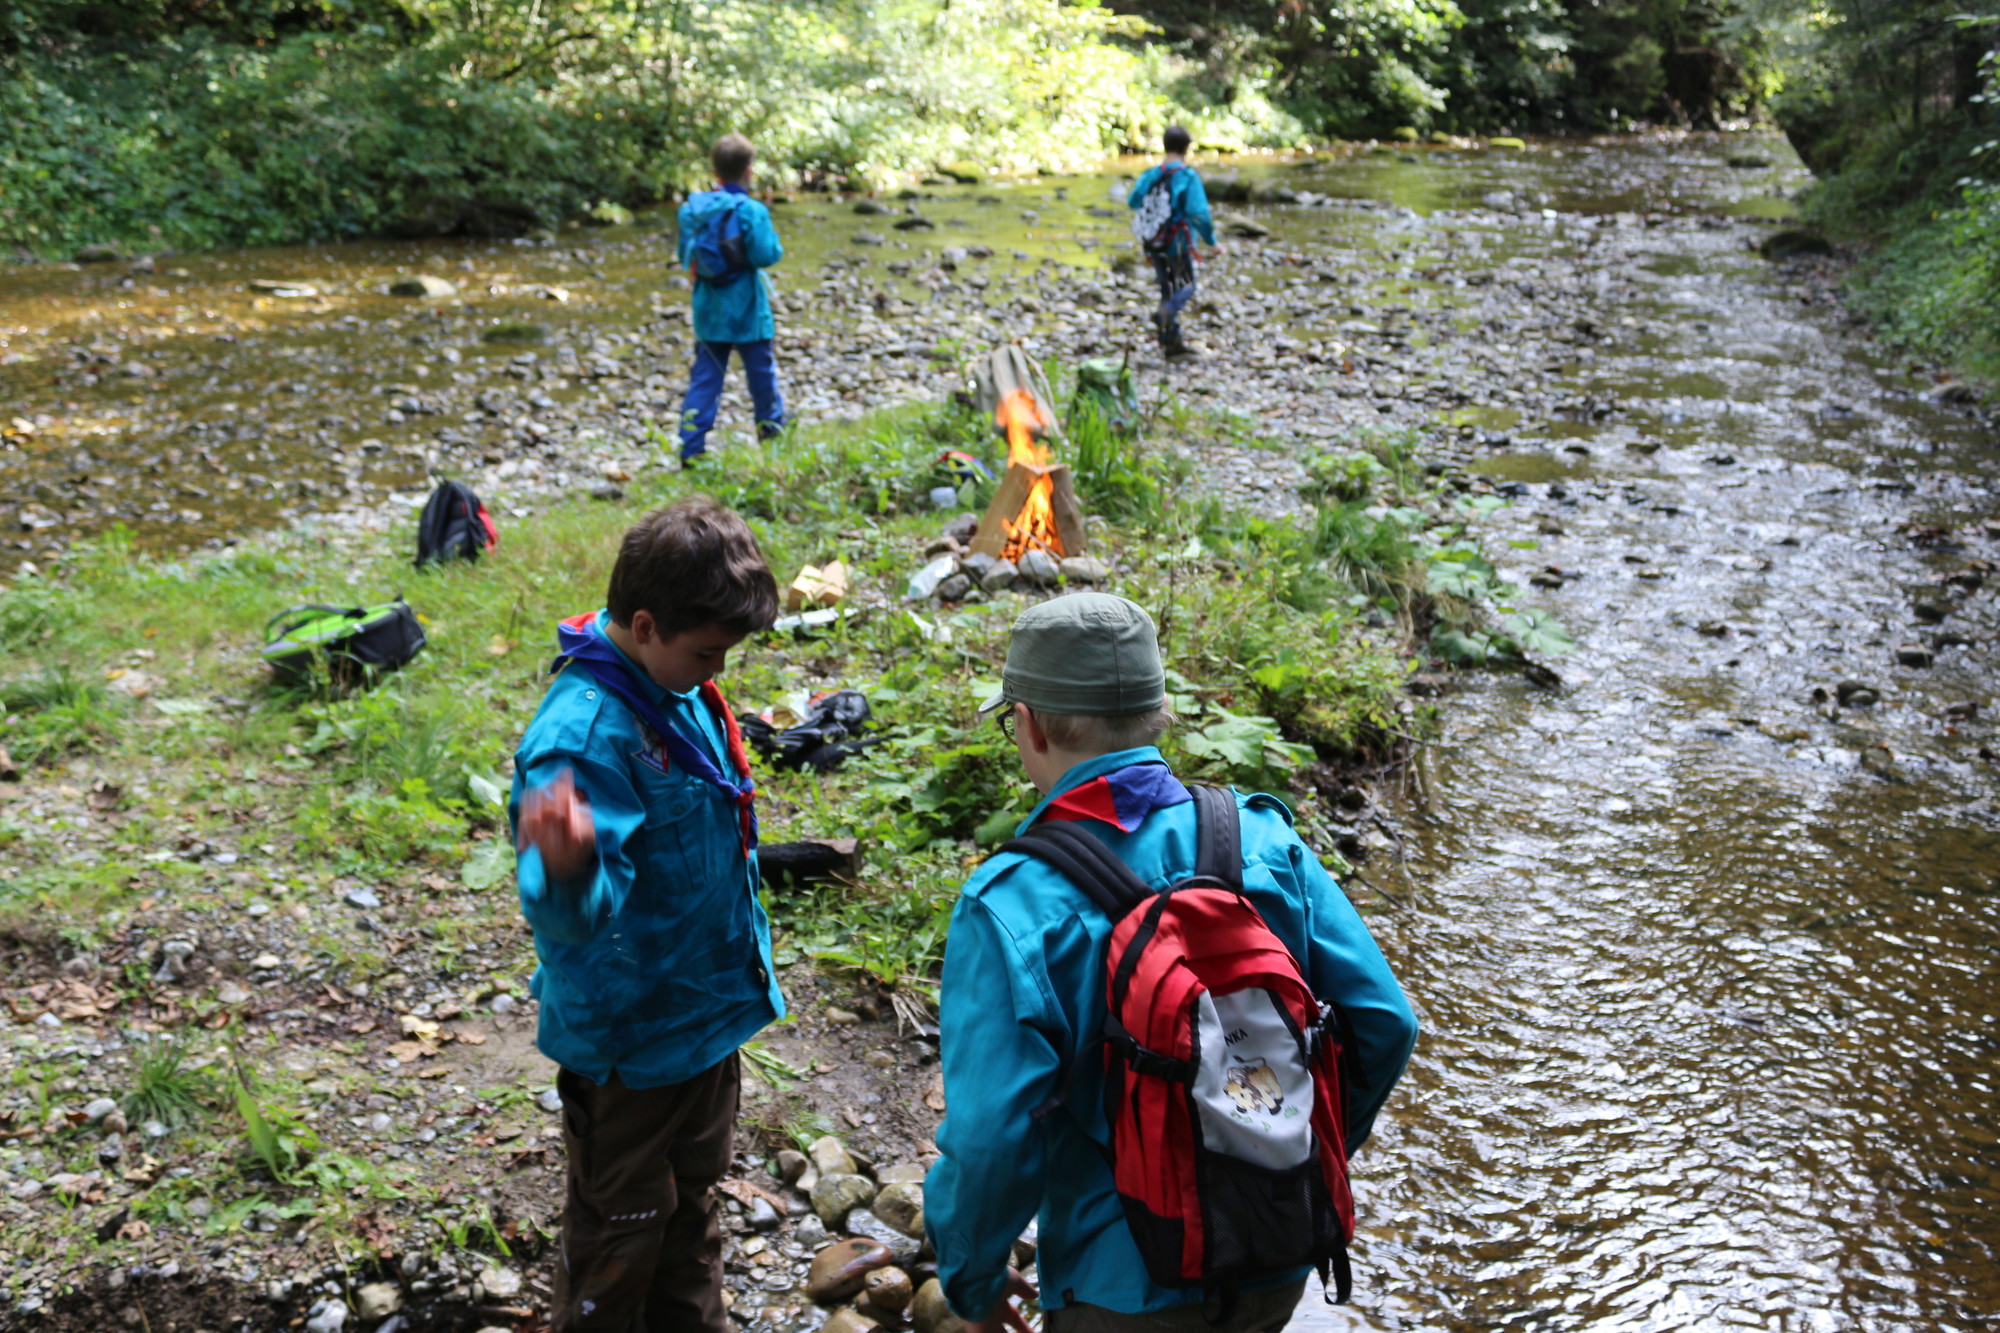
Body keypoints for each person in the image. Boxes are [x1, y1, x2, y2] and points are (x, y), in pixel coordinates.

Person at [925, 593, 1418, 1333]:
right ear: (1161, 712)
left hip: (1123, 1284)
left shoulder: (1012, 902)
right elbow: (1386, 1023)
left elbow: (992, 1139)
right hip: (1278, 1255)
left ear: (1027, 723)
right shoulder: (1262, 841)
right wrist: (1292, 1150)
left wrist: (973, 1278)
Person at [510, 498, 783, 1332]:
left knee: (692, 1207)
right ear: (643, 624)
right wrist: (565, 867)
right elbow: (568, 918)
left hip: (704, 1013)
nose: (717, 670)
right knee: (619, 1231)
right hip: (632, 1044)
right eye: (706, 652)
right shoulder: (581, 741)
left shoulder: (676, 684)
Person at [674, 133, 786, 467]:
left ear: (714, 171)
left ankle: (691, 448)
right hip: (749, 311)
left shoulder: (691, 210)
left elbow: (684, 256)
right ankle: (771, 436)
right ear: (749, 171)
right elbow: (766, 255)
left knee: (705, 377)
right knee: (761, 375)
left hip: (708, 310)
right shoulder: (752, 210)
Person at [1126, 125, 1217, 359]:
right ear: (1187, 148)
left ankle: (1170, 343)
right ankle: (1165, 316)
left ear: (1165, 146)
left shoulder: (1151, 174)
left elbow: (1134, 201)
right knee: (1186, 285)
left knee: (1167, 289)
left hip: (1153, 241)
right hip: (1177, 243)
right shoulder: (1187, 177)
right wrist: (1212, 242)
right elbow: (1198, 213)